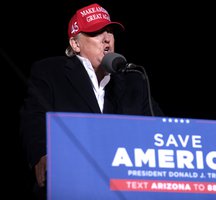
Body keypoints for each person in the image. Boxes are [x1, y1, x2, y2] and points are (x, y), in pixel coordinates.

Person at [19, 2, 164, 200]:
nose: (107, 39)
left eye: (110, 32)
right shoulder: (50, 72)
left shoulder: (134, 80)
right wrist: (41, 154)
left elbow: (159, 131)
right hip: (70, 186)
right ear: (75, 44)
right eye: (96, 32)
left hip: (124, 187)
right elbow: (34, 117)